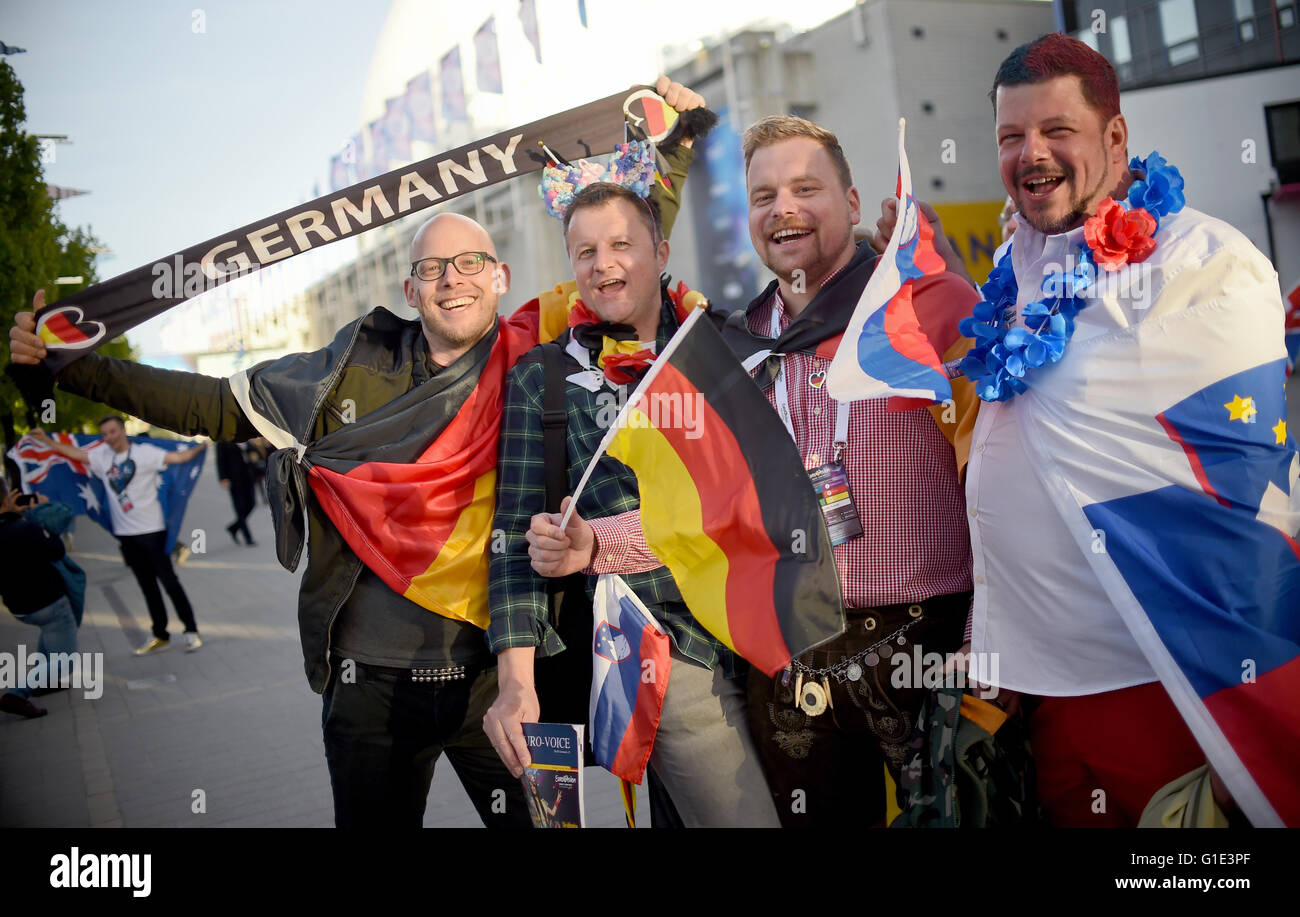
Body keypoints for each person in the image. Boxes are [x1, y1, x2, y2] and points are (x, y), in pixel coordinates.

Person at [8, 76, 707, 828]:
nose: (453, 279)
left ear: (500, 279)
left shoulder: (538, 346)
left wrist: (678, 146)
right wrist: (76, 365)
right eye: (434, 268)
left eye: (471, 263)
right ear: (410, 287)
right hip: (369, 686)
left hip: (509, 679)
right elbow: (215, 406)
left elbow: (625, 269)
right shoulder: (346, 370)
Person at [873, 33, 1297, 826]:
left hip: (1154, 684)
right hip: (1032, 690)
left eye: (1055, 131)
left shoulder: (1205, 263)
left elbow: (1237, 497)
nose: (1031, 153)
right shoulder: (1020, 266)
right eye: (1009, 136)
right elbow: (1012, 408)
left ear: (1114, 138)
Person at [484, 180, 780, 828]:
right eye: (584, 250)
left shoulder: (723, 348)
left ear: (661, 248)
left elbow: (756, 497)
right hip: (660, 650)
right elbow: (512, 537)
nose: (603, 264)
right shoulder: (544, 375)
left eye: (621, 243)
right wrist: (515, 680)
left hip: (764, 636)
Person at [726, 115, 982, 828]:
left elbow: (1003, 473)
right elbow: (707, 507)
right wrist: (596, 544)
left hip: (927, 646)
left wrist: (988, 631)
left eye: (807, 187)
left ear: (852, 202)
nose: (783, 208)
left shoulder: (926, 309)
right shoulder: (739, 348)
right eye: (764, 195)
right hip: (791, 660)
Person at [29, 419, 205, 655]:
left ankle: (191, 631)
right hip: (126, 536)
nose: (109, 437)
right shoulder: (102, 456)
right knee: (147, 586)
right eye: (104, 434)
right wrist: (45, 440)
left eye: (113, 432)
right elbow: (75, 454)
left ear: (122, 431)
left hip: (152, 531)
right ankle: (160, 635)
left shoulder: (144, 453)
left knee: (169, 582)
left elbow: (180, 458)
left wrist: (204, 443)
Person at [0, 488, 78, 719]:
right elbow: (56, 550)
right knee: (64, 662)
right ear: (7, 499)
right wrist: (40, 514)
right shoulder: (26, 529)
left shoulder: (17, 527)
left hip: (20, 607)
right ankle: (17, 695)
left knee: (50, 635)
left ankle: (43, 682)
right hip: (49, 604)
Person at [215, 440, 257, 546]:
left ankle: (234, 527)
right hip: (234, 479)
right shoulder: (223, 440)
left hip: (248, 476)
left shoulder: (245, 437)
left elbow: (252, 452)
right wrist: (223, 477)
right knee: (239, 508)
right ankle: (248, 537)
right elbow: (220, 459)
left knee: (251, 504)